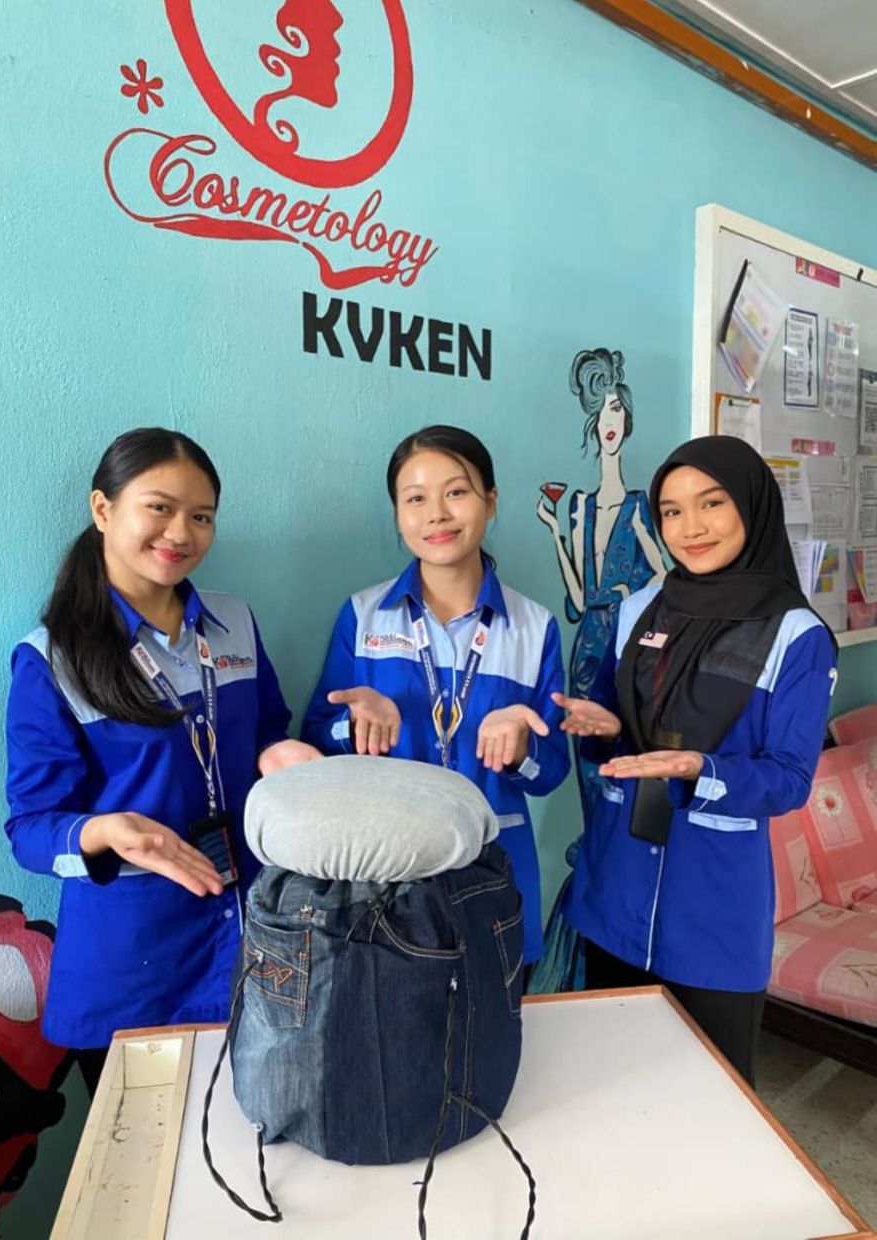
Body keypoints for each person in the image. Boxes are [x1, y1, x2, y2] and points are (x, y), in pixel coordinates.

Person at [4, 428, 319, 1089]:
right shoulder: (52, 657)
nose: (181, 532)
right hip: (131, 960)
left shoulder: (234, 621)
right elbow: (30, 827)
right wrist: (102, 831)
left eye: (201, 516)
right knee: (137, 1175)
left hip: (253, 937)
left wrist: (278, 752)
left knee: (256, 1145)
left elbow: (264, 730)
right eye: (160, 507)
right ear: (102, 509)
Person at [554, 436, 837, 1084]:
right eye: (672, 511)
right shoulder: (638, 608)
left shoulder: (797, 635)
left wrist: (699, 771)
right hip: (613, 888)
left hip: (710, 910)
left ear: (749, 506)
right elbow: (616, 735)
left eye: (710, 503)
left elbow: (788, 779)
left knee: (711, 1099)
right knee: (604, 1083)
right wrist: (599, 730)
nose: (690, 527)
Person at [301, 425, 570, 963]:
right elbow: (315, 742)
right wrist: (352, 725)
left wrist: (521, 752)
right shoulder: (363, 615)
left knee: (495, 1036)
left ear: (490, 502)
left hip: (495, 868)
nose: (436, 514)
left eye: (456, 492)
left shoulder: (535, 626)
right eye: (416, 498)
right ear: (398, 515)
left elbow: (553, 772)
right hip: (387, 872)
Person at [536, 348, 665, 820]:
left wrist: (629, 597)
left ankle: (622, 847)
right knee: (585, 754)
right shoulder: (578, 509)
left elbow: (665, 576)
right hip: (586, 646)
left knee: (628, 749)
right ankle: (593, 845)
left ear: (626, 419)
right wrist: (554, 531)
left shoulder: (637, 506)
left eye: (617, 408)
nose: (610, 419)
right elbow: (575, 599)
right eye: (603, 410)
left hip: (628, 646)